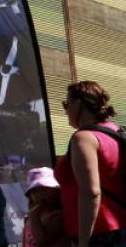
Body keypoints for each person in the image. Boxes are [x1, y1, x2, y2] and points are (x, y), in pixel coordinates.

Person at [56, 80, 125, 247]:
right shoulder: (118, 132)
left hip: (99, 233)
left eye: (67, 104)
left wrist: (83, 242)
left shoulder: (84, 138)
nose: (66, 111)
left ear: (79, 104)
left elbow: (91, 193)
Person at [24, 167, 64, 247]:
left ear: (56, 191)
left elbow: (42, 241)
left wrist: (34, 215)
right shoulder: (29, 219)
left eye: (45, 189)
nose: (41, 194)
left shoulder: (58, 217)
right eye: (35, 191)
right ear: (30, 196)